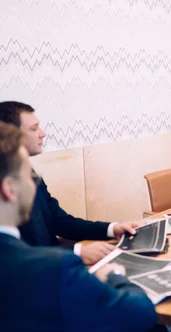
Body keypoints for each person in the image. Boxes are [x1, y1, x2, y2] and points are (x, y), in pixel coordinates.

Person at [0, 120, 158, 331]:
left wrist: (111, 228)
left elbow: (62, 222)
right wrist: (114, 276)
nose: (33, 183)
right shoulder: (55, 268)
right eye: (28, 175)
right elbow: (140, 314)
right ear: (9, 189)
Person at [0, 101, 142, 265]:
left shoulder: (29, 173)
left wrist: (112, 228)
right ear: (11, 134)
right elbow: (15, 254)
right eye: (34, 128)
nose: (43, 133)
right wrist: (77, 251)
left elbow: (61, 221)